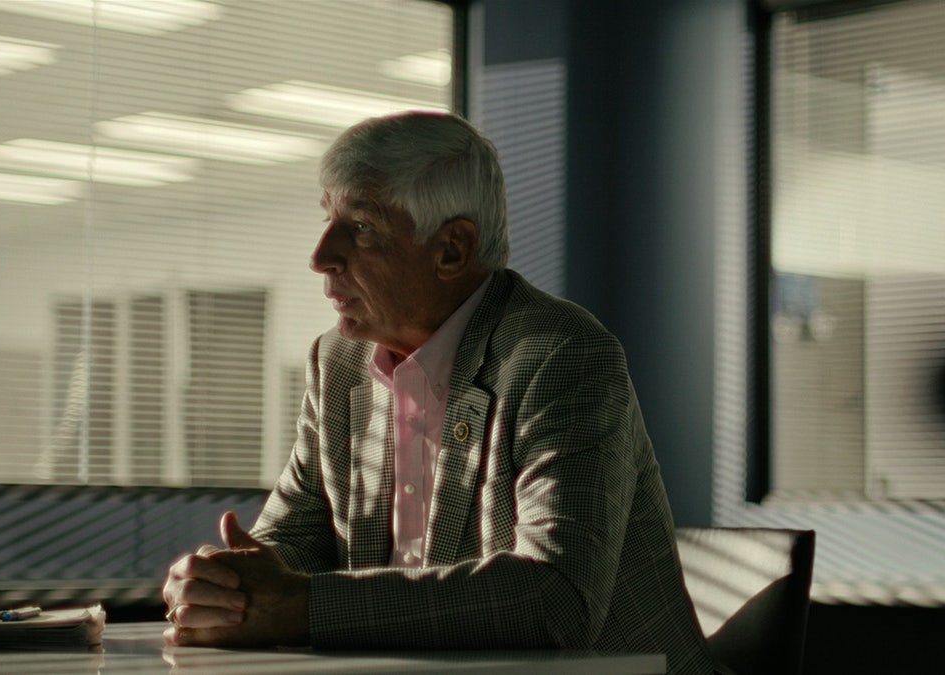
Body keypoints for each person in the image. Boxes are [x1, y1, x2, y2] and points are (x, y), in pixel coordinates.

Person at [162, 111, 715, 673]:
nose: (320, 255)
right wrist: (228, 585)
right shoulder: (339, 362)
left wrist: (303, 605)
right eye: (328, 219)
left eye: (361, 226)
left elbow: (555, 598)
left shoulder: (561, 355)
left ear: (452, 248)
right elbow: (300, 531)